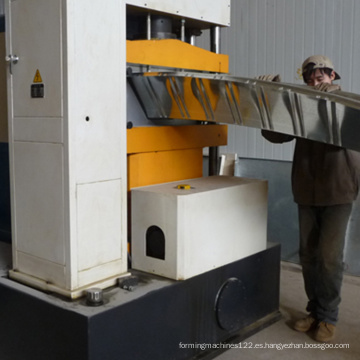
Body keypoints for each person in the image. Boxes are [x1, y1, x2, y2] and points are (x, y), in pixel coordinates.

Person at [261, 55, 360, 342]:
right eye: (310, 78)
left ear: (333, 77)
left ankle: (328, 316)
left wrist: (335, 101)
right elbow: (275, 135)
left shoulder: (347, 104)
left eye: (321, 77)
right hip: (306, 188)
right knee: (308, 256)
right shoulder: (300, 106)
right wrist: (272, 99)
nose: (316, 81)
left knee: (329, 257)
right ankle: (314, 311)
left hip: (338, 189)